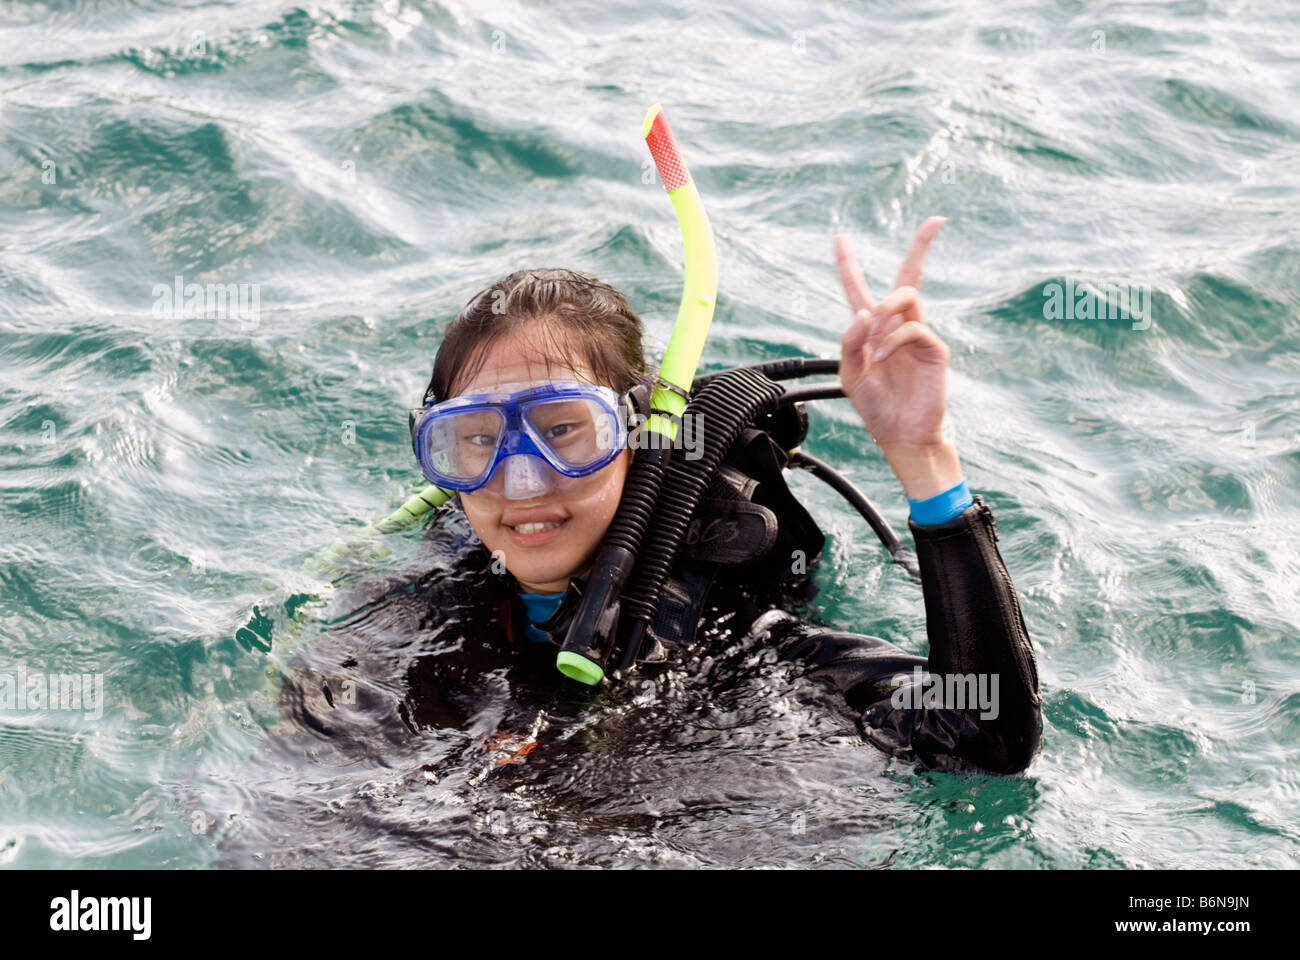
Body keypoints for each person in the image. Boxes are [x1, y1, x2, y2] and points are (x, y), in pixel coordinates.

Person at [401, 218, 1041, 775]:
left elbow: (982, 738)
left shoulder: (731, 636)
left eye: (564, 430)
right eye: (477, 439)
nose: (522, 481)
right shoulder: (426, 602)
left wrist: (923, 460)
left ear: (641, 434)